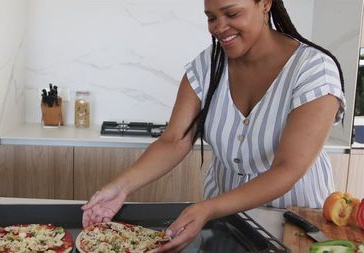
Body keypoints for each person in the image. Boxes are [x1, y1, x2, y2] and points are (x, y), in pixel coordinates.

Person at [82, 0, 346, 251]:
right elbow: (175, 140)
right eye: (211, 17)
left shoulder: (313, 70)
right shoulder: (207, 65)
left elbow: (287, 169)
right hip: (227, 223)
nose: (219, 27)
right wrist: (121, 187)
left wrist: (208, 208)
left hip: (296, 224)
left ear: (265, 3)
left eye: (231, 14)